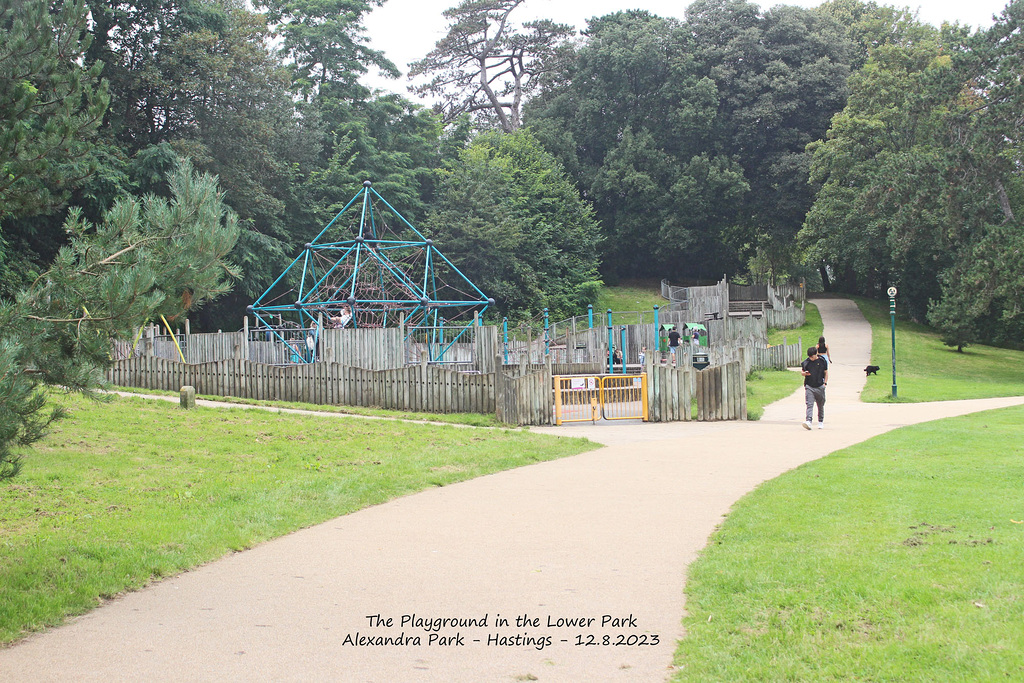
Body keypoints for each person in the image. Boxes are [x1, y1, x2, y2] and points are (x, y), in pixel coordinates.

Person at [800, 346, 828, 430]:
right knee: (809, 404)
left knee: (820, 405)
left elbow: (826, 372)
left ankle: (820, 421)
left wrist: (825, 383)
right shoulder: (806, 362)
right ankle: (808, 421)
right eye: (809, 357)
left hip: (820, 386)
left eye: (812, 356)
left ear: (816, 354)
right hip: (809, 386)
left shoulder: (822, 361)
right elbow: (802, 372)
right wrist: (805, 373)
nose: (810, 358)